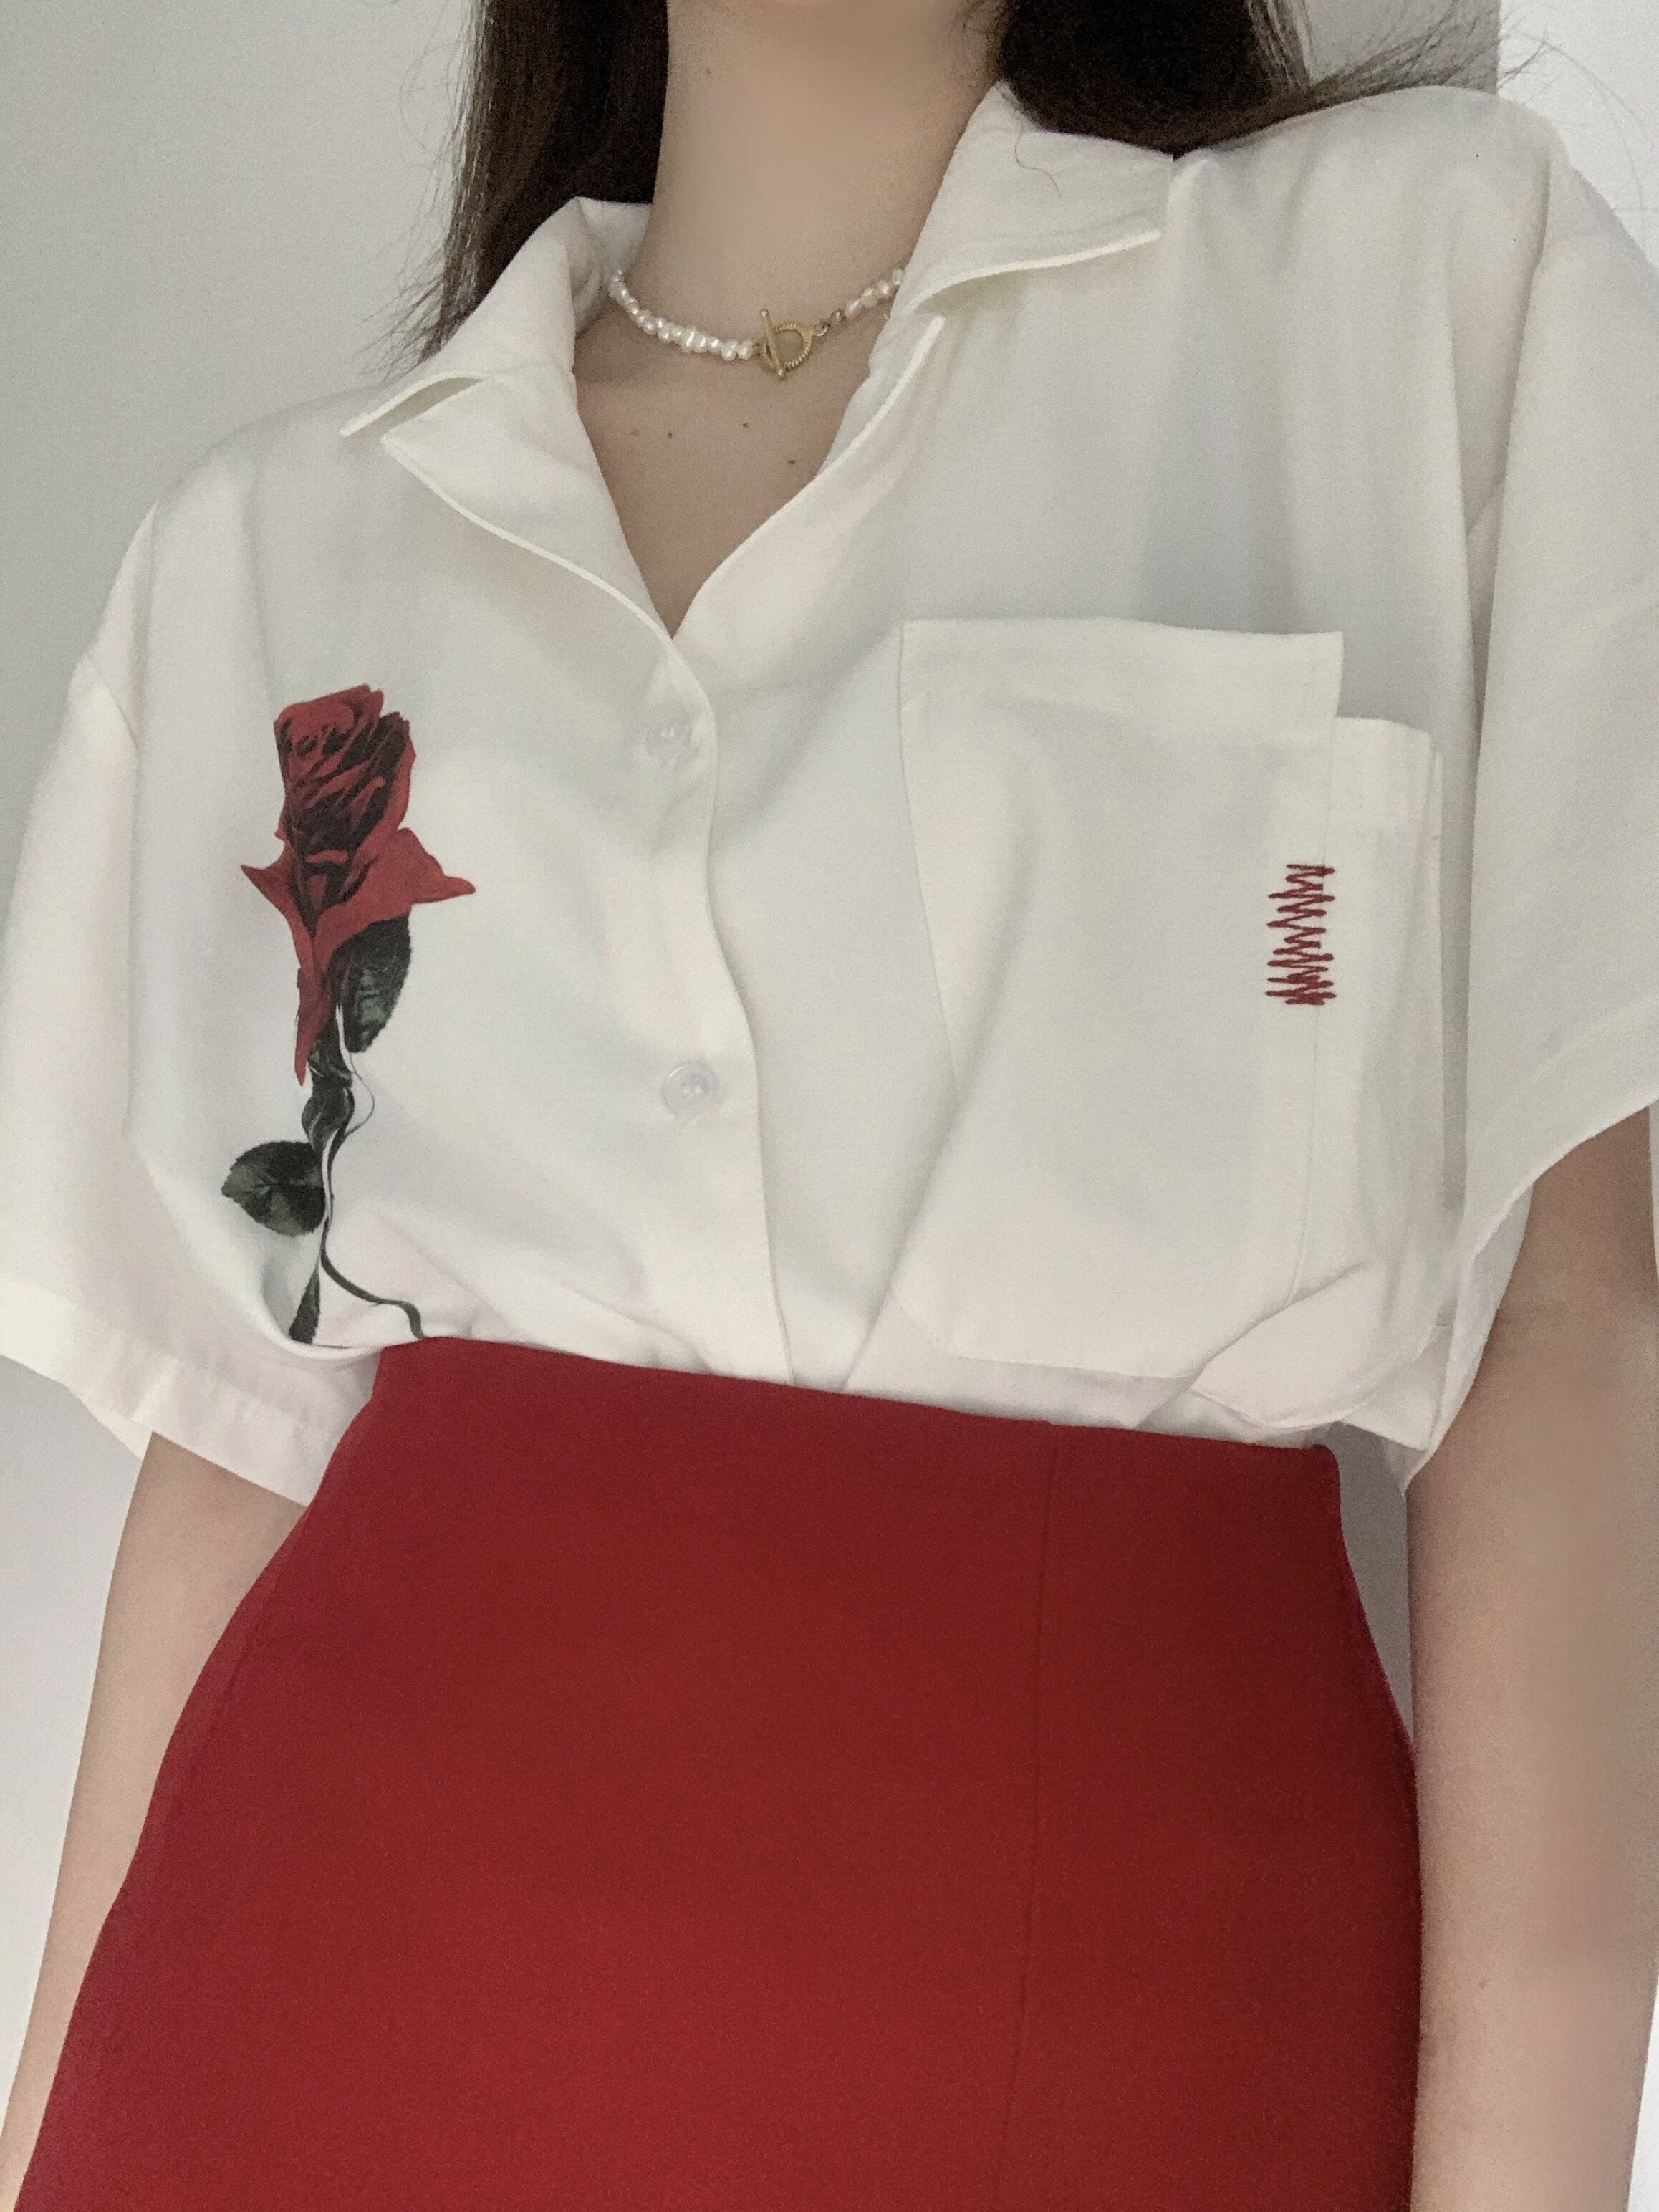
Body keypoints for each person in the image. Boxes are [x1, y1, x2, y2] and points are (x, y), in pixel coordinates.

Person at [1, 0, 1657, 2203]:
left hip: (1125, 2062)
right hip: (297, 2035)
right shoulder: (278, 544)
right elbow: (235, 1445)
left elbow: (1561, 1335)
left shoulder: (1417, 285)